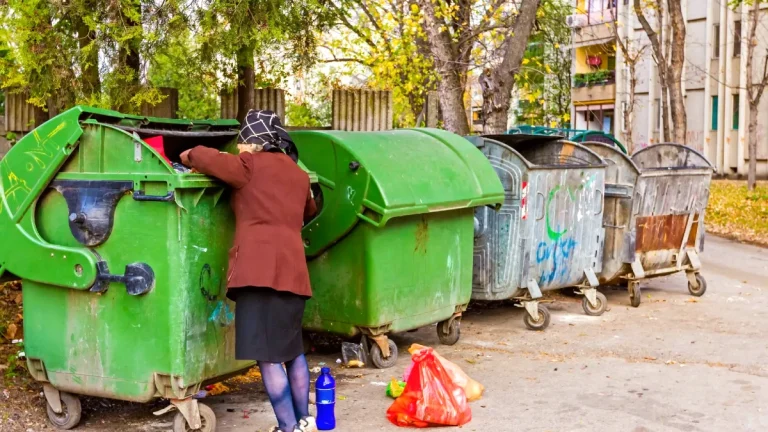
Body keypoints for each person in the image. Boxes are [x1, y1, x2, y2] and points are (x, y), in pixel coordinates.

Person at [180, 110, 318, 432]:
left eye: (243, 142)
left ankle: (288, 428)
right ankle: (303, 422)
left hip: (258, 274)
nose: (240, 148)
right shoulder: (298, 174)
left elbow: (204, 156)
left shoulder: (248, 167)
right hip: (294, 274)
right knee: (292, 351)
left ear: (255, 142)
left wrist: (185, 154)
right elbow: (309, 209)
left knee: (267, 357)